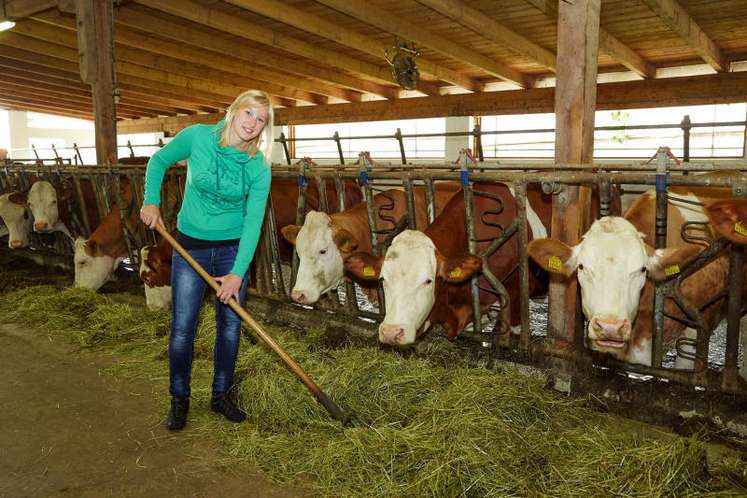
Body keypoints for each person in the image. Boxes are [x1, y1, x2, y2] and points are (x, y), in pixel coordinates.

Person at [140, 89, 273, 431]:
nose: (252, 123)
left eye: (260, 120)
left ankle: (221, 395)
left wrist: (237, 274)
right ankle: (179, 398)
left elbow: (253, 222)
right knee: (184, 327)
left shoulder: (258, 166)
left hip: (231, 251)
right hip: (189, 248)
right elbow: (159, 161)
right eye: (249, 114)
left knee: (230, 327)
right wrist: (151, 201)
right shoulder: (198, 137)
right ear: (234, 111)